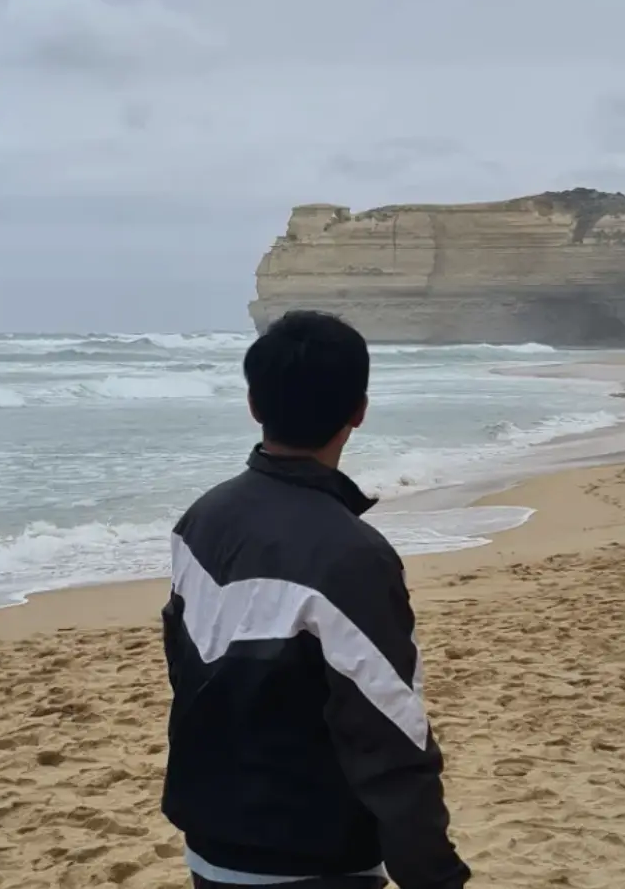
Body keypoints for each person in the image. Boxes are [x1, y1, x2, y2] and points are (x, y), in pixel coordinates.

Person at [162, 311, 470, 889]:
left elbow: (187, 671)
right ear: (359, 411)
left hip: (209, 841)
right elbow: (390, 736)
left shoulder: (199, 521)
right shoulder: (353, 557)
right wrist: (435, 876)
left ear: (254, 403)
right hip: (314, 862)